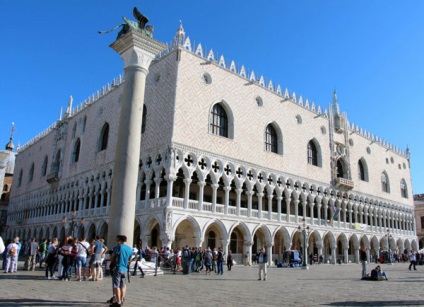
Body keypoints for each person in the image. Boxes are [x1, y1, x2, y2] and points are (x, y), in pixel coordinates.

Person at [109, 235, 132, 307]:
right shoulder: (130, 249)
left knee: (116, 285)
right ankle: (122, 300)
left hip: (118, 268)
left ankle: (118, 302)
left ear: (120, 240)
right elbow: (130, 260)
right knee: (123, 285)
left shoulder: (118, 247)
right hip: (125, 269)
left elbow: (112, 257)